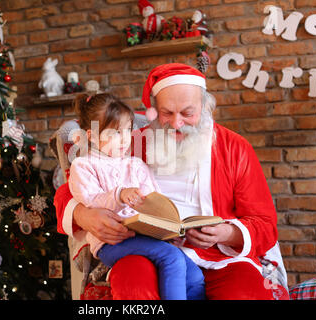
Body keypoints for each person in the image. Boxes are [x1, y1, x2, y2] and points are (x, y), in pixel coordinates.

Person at [54, 63, 289, 300]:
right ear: (155, 111)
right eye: (167, 113)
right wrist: (84, 215)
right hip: (147, 250)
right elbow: (69, 190)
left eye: (188, 113)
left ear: (206, 108)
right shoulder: (130, 143)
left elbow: (265, 224)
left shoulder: (235, 148)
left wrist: (225, 233)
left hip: (222, 258)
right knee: (133, 286)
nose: (177, 124)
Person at [68, 93, 205, 300]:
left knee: (194, 276)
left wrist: (168, 227)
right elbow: (89, 199)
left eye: (127, 131)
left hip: (144, 236)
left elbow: (154, 201)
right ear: (92, 135)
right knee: (171, 259)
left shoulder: (135, 165)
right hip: (110, 242)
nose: (124, 139)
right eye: (114, 133)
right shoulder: (83, 166)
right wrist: (119, 194)